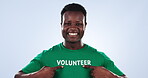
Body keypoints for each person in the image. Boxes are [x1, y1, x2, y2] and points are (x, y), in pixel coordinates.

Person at [14, 3, 127, 78]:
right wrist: (37, 75)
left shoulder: (99, 56)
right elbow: (17, 76)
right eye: (67, 23)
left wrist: (110, 76)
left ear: (85, 26)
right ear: (61, 25)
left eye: (78, 24)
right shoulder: (47, 55)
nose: (73, 28)